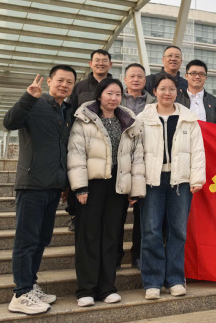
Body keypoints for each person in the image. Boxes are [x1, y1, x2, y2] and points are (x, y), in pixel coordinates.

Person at [3, 66, 77, 315]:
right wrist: (28, 97)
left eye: (69, 82)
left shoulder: (66, 111)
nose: (64, 85)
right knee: (27, 240)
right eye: (60, 80)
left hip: (53, 186)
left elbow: (63, 149)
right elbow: (9, 122)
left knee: (41, 239)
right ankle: (21, 293)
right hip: (32, 184)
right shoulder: (34, 102)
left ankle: (31, 284)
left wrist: (64, 183)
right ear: (49, 81)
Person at [67, 78, 144, 307]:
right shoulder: (84, 119)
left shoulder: (128, 120)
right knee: (88, 236)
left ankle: (107, 288)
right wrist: (80, 187)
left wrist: (135, 189)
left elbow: (137, 157)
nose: (113, 98)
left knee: (111, 237)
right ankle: (86, 290)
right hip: (91, 185)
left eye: (118, 94)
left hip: (118, 185)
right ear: (100, 95)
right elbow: (76, 153)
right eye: (109, 93)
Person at [137, 75, 206, 299]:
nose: (167, 93)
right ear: (154, 91)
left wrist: (197, 179)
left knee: (178, 231)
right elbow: (136, 152)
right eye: (162, 89)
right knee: (151, 231)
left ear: (178, 92)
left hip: (180, 181)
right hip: (152, 181)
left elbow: (198, 150)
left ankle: (175, 279)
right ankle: (152, 282)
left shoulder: (188, 118)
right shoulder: (143, 118)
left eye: (172, 89)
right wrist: (136, 182)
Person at [67, 49, 113, 231]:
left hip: (107, 140)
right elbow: (70, 111)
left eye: (104, 60)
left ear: (110, 64)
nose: (100, 63)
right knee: (78, 174)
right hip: (83, 138)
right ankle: (74, 214)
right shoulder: (80, 87)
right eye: (97, 60)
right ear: (90, 64)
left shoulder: (114, 86)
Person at [118, 63, 156, 270]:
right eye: (131, 76)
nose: (135, 79)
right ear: (125, 79)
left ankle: (138, 255)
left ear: (145, 80)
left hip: (145, 162)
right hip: (119, 162)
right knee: (116, 214)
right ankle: (115, 255)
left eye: (140, 76)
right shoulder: (115, 99)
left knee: (143, 215)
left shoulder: (154, 102)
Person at [176, 59, 216, 124]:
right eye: (193, 73)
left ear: (205, 77)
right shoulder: (177, 100)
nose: (197, 77)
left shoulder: (214, 101)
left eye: (201, 74)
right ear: (186, 76)